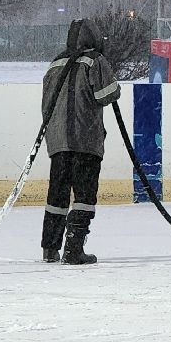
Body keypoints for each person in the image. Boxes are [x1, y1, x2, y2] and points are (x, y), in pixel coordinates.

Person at [40, 17, 121, 265]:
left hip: (58, 142)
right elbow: (108, 94)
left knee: (57, 195)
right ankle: (74, 248)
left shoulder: (55, 63)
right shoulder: (93, 60)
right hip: (85, 140)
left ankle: (50, 249)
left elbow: (46, 103)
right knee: (85, 195)